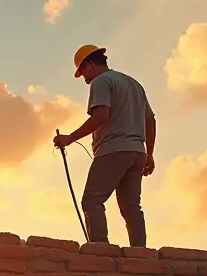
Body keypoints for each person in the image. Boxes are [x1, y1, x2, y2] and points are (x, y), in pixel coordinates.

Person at [54, 45, 156, 247]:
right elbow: (150, 120)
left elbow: (101, 116)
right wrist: (149, 154)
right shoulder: (134, 84)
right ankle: (140, 254)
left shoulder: (101, 82)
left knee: (92, 201)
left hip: (113, 149)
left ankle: (100, 251)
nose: (84, 78)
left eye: (82, 72)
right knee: (131, 207)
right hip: (137, 152)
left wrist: (70, 138)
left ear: (89, 65)